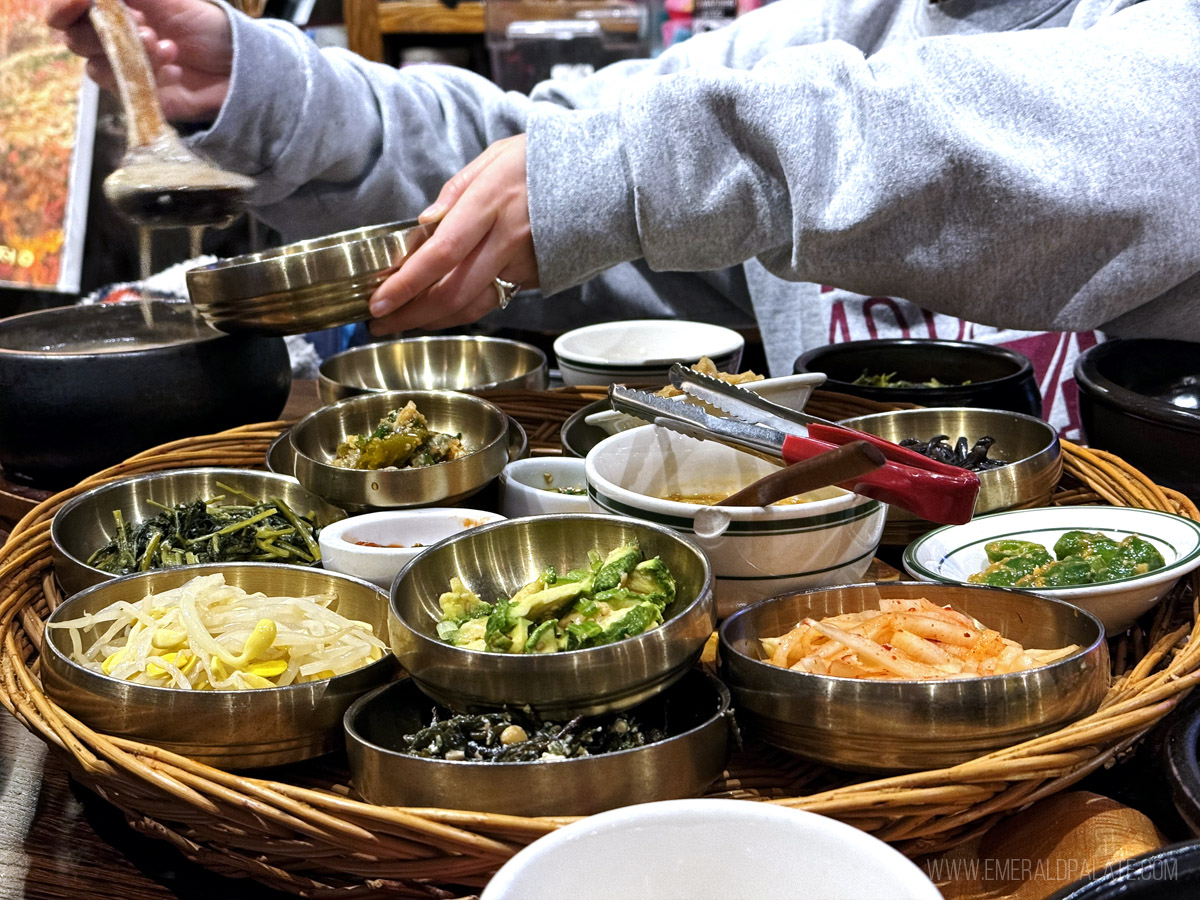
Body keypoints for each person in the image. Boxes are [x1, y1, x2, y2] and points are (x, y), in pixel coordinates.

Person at [49, 0, 1200, 435]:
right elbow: (522, 157)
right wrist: (267, 89)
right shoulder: (802, 38)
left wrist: (641, 167)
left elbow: (1121, 145)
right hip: (858, 645)